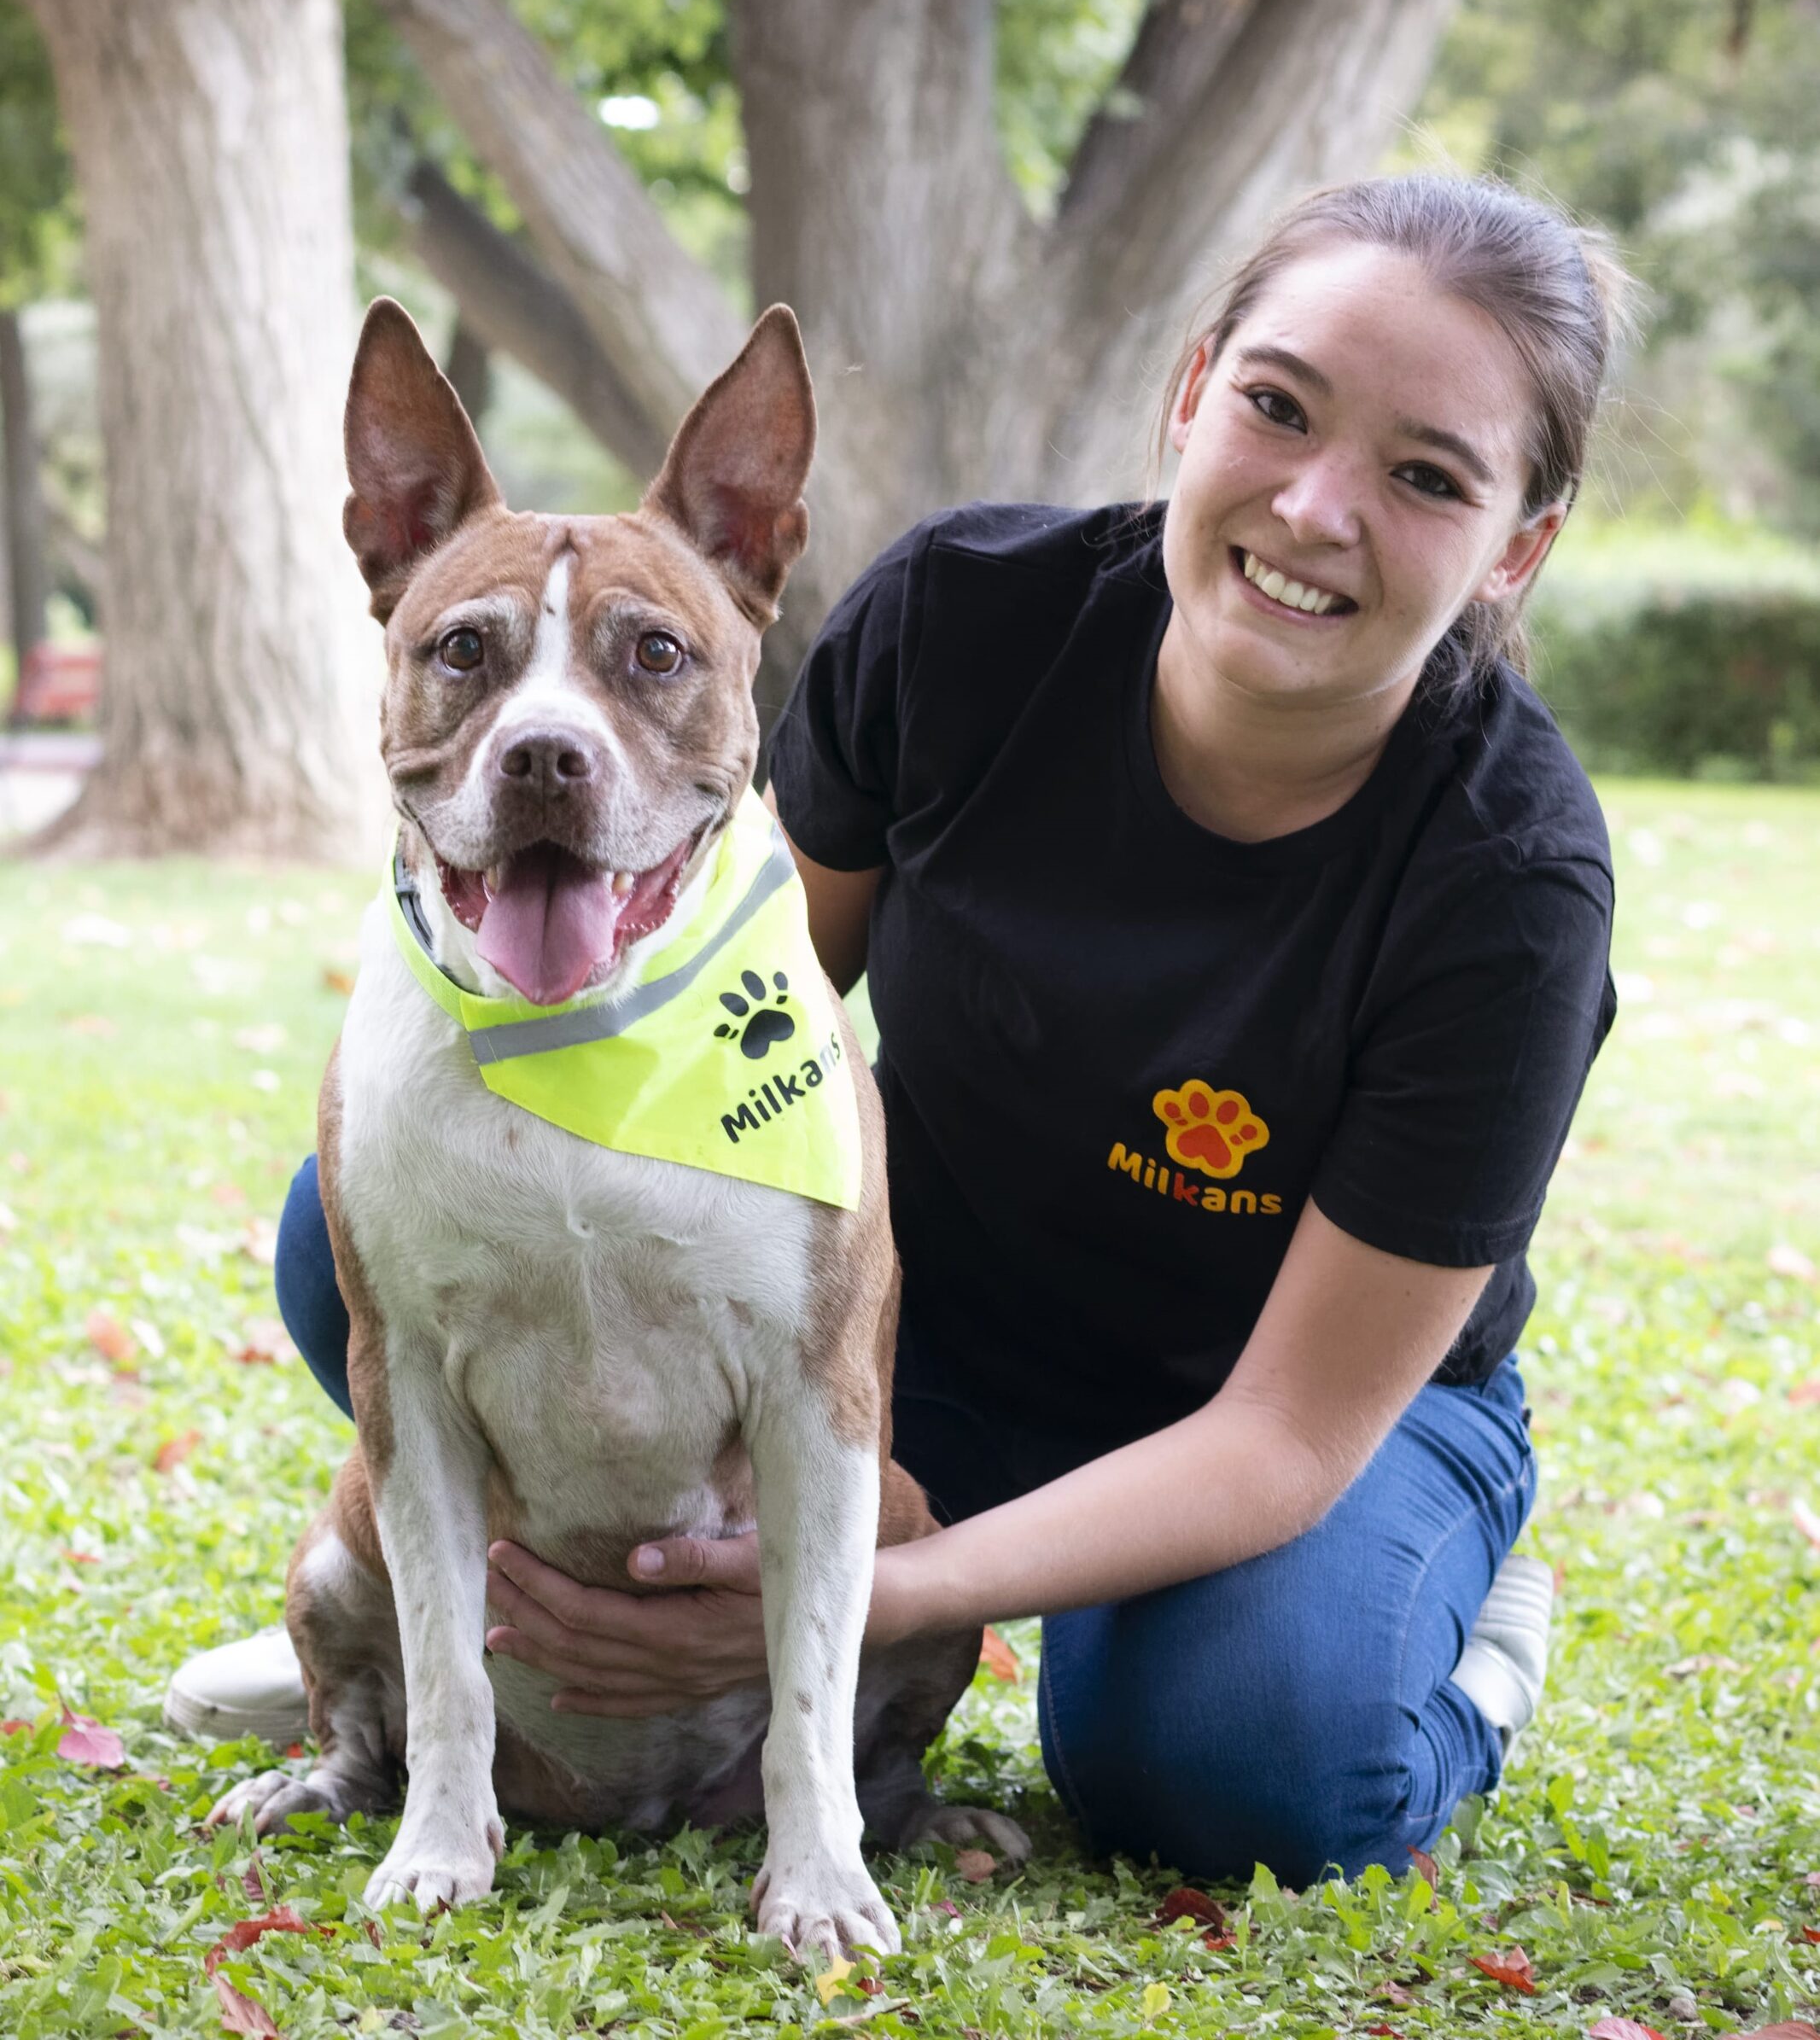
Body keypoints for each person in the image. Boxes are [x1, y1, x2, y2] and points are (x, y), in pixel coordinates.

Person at [168, 172, 1625, 1888]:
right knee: (353, 1234)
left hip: (1257, 1404)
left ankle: (1457, 1641)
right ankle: (478, 1648)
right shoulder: (965, 619)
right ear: (1187, 393)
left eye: (1426, 474)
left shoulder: (1506, 877)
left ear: (1514, 544)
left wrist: (843, 1590)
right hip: (926, 1328)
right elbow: (729, 1004)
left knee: (1241, 1767)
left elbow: (1288, 1432)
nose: (1313, 505)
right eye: (1278, 406)